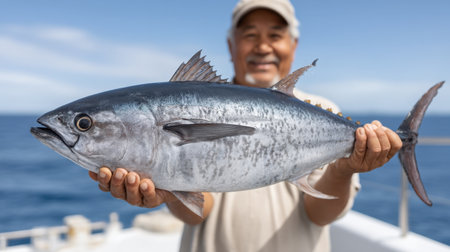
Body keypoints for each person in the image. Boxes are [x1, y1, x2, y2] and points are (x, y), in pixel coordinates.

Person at [89, 0, 402, 251]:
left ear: (293, 46)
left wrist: (345, 168)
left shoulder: (324, 111)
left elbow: (319, 214)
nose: (262, 46)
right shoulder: (190, 100)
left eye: (275, 35)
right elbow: (200, 212)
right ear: (230, 45)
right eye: (250, 35)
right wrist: (169, 191)